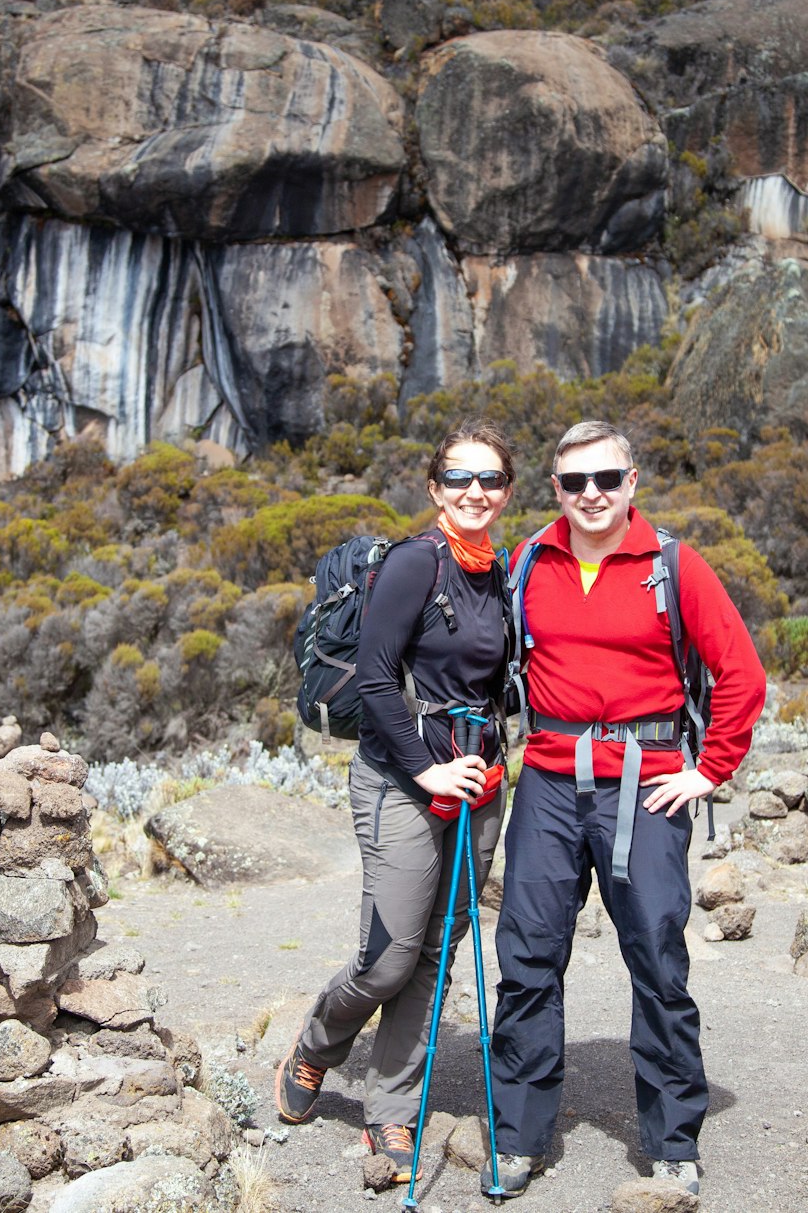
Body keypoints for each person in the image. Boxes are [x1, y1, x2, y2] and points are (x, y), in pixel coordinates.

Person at [487, 420, 767, 1199]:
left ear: (632, 481)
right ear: (556, 488)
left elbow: (741, 671)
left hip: (646, 783)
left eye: (606, 479)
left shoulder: (674, 564)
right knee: (528, 958)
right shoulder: (528, 562)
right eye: (575, 482)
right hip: (545, 780)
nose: (592, 496)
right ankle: (518, 1136)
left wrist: (708, 770)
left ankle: (673, 1140)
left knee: (657, 959)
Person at [275, 419, 517, 1181]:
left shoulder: (501, 573)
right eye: (459, 479)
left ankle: (390, 1113)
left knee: (436, 959)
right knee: (387, 962)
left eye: (489, 480)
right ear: (434, 489)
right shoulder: (418, 563)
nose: (474, 492)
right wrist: (427, 770)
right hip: (401, 782)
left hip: (480, 787)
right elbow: (377, 682)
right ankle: (317, 1042)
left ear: (507, 491)